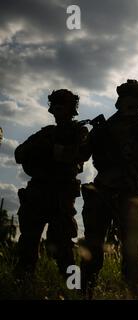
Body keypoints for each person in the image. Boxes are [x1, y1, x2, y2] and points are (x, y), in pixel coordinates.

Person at [80, 79, 138, 298]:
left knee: (133, 253)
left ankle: (133, 293)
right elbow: (81, 154)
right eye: (125, 99)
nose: (129, 103)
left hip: (129, 194)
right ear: (119, 102)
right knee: (92, 249)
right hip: (102, 191)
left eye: (133, 100)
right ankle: (82, 292)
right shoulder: (103, 128)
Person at [14, 89, 90, 279]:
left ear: (71, 109)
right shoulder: (45, 133)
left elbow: (78, 155)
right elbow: (19, 154)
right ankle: (21, 287)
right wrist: (42, 148)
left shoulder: (79, 131)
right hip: (37, 195)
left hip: (61, 198)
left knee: (63, 249)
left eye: (61, 105)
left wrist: (52, 150)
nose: (56, 109)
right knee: (27, 245)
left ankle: (74, 288)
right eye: (54, 105)